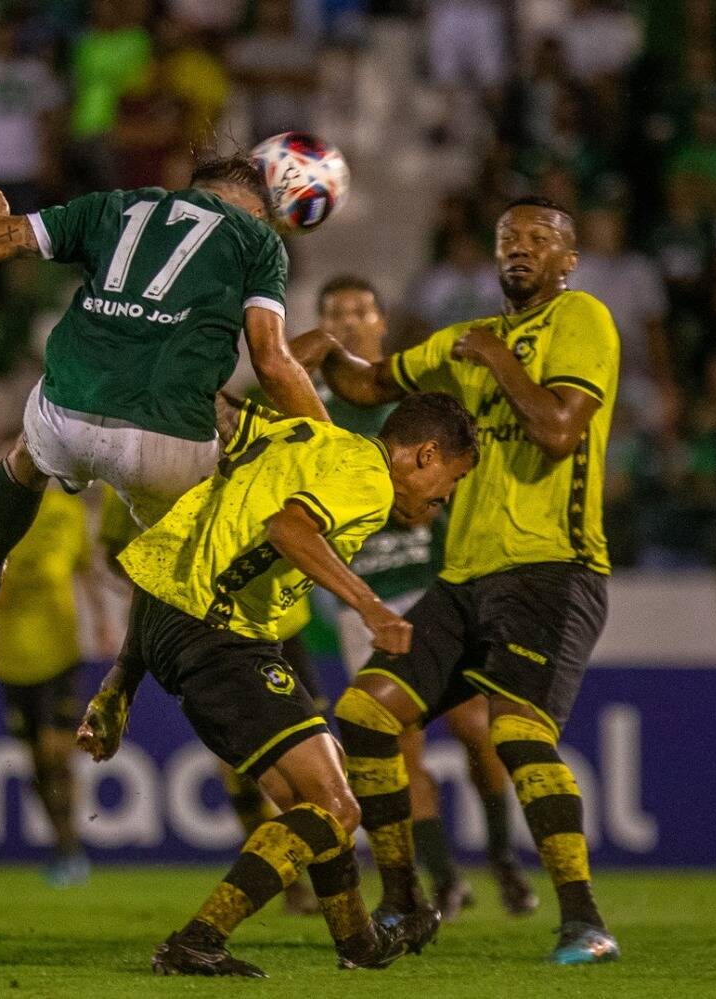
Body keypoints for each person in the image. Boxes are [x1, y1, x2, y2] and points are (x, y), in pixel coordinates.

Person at [301, 197, 622, 965]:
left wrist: (498, 357)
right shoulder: (464, 340)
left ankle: (583, 919)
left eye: (541, 238)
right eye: (510, 235)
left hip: (553, 568)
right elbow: (378, 384)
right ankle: (407, 901)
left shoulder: (583, 321)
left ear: (568, 260)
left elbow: (557, 431)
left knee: (514, 731)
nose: (521, 247)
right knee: (366, 712)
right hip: (464, 574)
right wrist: (321, 352)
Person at [102, 392, 479, 976]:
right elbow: (288, 528)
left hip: (164, 614)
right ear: (426, 455)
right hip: (218, 628)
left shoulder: (310, 435)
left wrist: (119, 685)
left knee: (316, 802)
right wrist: (371, 606)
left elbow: (234, 409)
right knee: (334, 803)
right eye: (450, 479)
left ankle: (358, 942)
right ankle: (198, 939)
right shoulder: (370, 479)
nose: (445, 496)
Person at [0, 155, 326, 632]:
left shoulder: (112, 206)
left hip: (67, 419)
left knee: (25, 458)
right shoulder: (258, 239)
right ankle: (128, 678)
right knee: (182, 565)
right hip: (170, 445)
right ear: (257, 210)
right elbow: (271, 361)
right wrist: (331, 443)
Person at [313, 273, 536, 919]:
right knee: (400, 747)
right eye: (336, 314)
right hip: (369, 596)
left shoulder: (405, 401)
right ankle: (444, 880)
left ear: (381, 322)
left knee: (476, 727)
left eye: (361, 311)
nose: (350, 323)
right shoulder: (313, 404)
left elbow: (442, 499)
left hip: (432, 586)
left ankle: (501, 859)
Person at [0, 443, 113, 886]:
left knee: (56, 752)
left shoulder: (65, 512)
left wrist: (102, 624)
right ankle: (66, 844)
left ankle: (70, 846)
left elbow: (85, 571)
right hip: (12, 658)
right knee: (38, 761)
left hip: (62, 650)